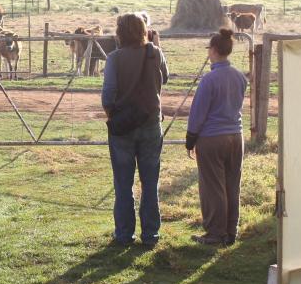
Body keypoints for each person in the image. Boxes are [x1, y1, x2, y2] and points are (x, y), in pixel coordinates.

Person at [102, 13, 169, 247]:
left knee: (123, 183)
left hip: (122, 127)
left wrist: (115, 117)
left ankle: (124, 234)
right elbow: (166, 78)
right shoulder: (155, 53)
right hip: (151, 124)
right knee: (150, 182)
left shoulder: (114, 58)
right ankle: (151, 235)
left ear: (120, 33)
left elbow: (108, 95)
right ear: (144, 31)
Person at [185, 28, 248, 246]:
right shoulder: (240, 77)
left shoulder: (209, 80)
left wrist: (190, 138)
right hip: (235, 135)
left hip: (212, 137)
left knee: (213, 187)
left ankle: (215, 232)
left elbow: (198, 112)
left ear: (213, 50)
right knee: (232, 183)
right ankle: (231, 230)